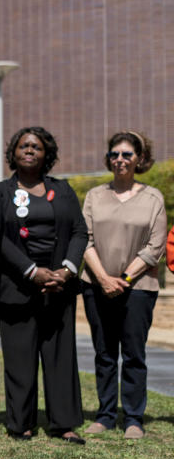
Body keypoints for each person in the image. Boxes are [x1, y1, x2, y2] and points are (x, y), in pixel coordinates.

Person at [0, 126, 87, 444]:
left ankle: (64, 423)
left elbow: (79, 232)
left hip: (59, 285)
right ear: (13, 153)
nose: (30, 150)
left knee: (60, 355)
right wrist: (32, 271)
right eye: (23, 146)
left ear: (47, 154)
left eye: (37, 147)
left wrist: (66, 270)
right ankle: (21, 423)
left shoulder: (64, 189)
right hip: (16, 286)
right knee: (19, 358)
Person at [80, 131, 166, 440]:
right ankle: (105, 415)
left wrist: (125, 279)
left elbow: (155, 246)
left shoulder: (153, 197)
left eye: (127, 154)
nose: (120, 159)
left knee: (133, 353)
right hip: (96, 285)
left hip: (139, 287)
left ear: (140, 159)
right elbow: (84, 240)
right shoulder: (94, 196)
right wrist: (103, 278)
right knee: (104, 353)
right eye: (114, 154)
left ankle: (133, 418)